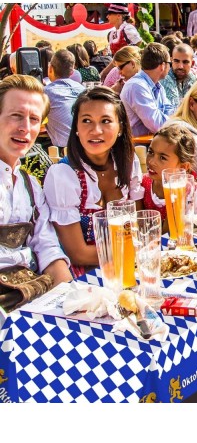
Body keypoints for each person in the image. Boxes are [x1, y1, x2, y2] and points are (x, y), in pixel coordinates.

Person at [43, 86, 144, 278]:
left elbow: (137, 225)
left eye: (105, 121)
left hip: (129, 268)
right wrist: (133, 253)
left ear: (120, 127)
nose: (95, 131)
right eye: (86, 121)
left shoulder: (129, 164)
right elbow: (78, 254)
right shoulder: (63, 175)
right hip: (84, 278)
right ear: (77, 129)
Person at [0, 74, 71, 288]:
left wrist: (72, 297)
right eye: (16, 115)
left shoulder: (30, 185)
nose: (25, 127)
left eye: (34, 119)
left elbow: (46, 247)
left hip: (26, 293)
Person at [141, 123, 197, 229]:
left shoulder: (193, 195)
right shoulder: (142, 184)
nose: (151, 161)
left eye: (162, 158)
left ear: (183, 167)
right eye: (150, 152)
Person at [120, 42, 174, 136]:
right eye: (170, 63)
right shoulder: (137, 86)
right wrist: (177, 122)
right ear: (163, 66)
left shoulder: (157, 86)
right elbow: (157, 125)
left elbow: (170, 111)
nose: (171, 68)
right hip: (139, 147)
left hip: (151, 143)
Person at [44, 49, 85, 150]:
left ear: (50, 69)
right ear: (72, 72)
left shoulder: (46, 93)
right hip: (85, 145)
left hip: (63, 149)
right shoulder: (83, 89)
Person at [160, 43, 197, 111]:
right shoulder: (165, 78)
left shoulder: (192, 78)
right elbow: (175, 110)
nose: (180, 66)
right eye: (176, 61)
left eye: (185, 62)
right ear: (171, 61)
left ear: (192, 63)